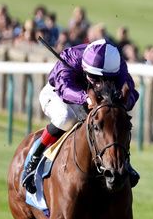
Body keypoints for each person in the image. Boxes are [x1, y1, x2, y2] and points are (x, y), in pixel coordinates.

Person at [20, 39, 140, 194]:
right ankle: (34, 159)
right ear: (85, 68)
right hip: (58, 94)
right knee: (66, 117)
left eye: (106, 79)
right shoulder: (72, 56)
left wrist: (122, 102)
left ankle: (123, 162)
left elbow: (131, 92)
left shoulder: (118, 64)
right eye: (95, 78)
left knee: (113, 119)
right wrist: (85, 98)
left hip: (94, 101)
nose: (100, 83)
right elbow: (64, 88)